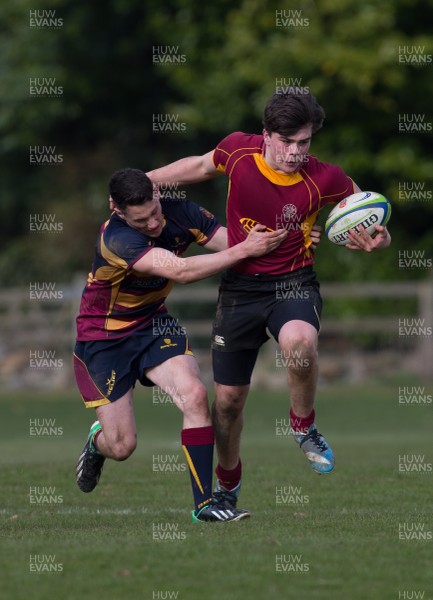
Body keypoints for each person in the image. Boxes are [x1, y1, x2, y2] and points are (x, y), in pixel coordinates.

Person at [146, 91, 391, 513]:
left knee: (299, 342)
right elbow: (200, 166)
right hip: (240, 288)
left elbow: (362, 206)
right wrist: (146, 181)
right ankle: (228, 482)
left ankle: (303, 425)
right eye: (288, 141)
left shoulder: (324, 178)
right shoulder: (239, 151)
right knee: (227, 402)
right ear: (266, 136)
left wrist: (380, 235)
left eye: (305, 142)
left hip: (294, 282)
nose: (297, 152)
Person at [74, 167, 287, 523]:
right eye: (142, 221)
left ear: (157, 194)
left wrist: (291, 239)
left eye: (156, 213)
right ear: (117, 209)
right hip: (103, 339)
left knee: (195, 394)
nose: (155, 224)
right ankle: (98, 444)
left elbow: (235, 244)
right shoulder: (117, 239)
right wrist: (244, 251)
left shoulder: (181, 211)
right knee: (122, 446)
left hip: (154, 324)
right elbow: (182, 271)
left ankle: (206, 505)